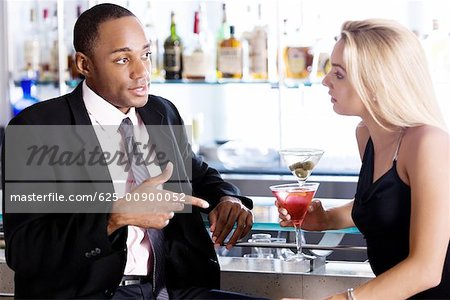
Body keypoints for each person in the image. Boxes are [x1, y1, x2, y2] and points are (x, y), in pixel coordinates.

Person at [1, 3, 259, 299]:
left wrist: (228, 197)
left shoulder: (161, 111)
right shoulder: (36, 127)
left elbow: (198, 174)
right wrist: (114, 217)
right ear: (84, 65)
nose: (142, 72)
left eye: (145, 55)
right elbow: (26, 250)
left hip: (173, 289)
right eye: (123, 60)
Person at [278, 19, 449, 299]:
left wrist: (342, 299)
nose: (325, 81)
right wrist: (326, 219)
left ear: (376, 82)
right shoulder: (366, 135)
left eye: (340, 74)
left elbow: (426, 269)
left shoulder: (427, 143)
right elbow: (390, 206)